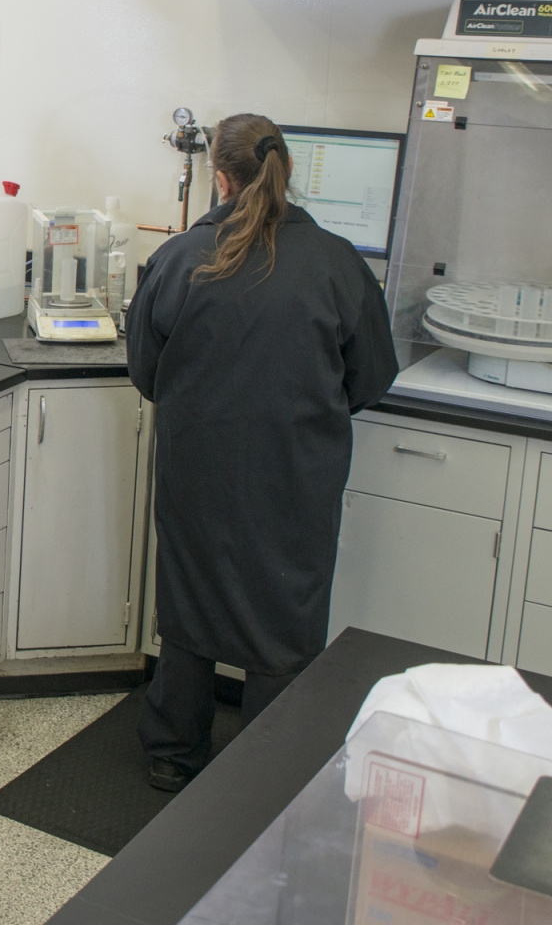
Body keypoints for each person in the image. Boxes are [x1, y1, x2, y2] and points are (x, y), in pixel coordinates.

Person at [126, 113, 398, 792]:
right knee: (285, 611)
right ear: (286, 171)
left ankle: (173, 752)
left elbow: (146, 371)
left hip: (198, 472)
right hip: (295, 476)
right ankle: (268, 769)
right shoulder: (338, 263)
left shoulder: (181, 259)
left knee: (189, 604)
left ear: (219, 177)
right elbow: (371, 378)